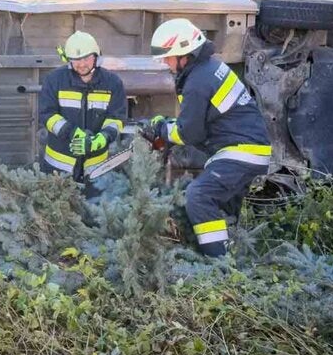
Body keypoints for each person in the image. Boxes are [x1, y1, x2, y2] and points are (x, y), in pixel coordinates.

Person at [148, 18, 271, 256]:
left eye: (168, 57)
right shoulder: (207, 69)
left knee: (199, 196)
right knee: (222, 208)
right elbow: (199, 122)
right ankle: (232, 255)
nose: (165, 63)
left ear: (185, 54)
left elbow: (190, 133)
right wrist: (169, 125)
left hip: (239, 151)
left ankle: (217, 265)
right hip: (248, 150)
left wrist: (164, 129)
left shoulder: (197, 81)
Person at [38, 31, 126, 182]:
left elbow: (116, 119)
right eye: (76, 59)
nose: (81, 64)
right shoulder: (54, 80)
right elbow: (47, 115)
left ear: (96, 56)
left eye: (86, 58)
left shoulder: (112, 83)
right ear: (68, 59)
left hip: (96, 168)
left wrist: (101, 139)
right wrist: (73, 133)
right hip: (58, 168)